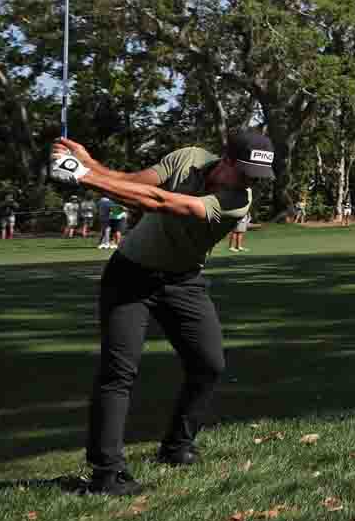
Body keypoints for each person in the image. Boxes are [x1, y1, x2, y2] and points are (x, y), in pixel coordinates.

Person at [49, 128, 274, 497]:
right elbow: (132, 183)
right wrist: (87, 163)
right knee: (118, 371)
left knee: (209, 363)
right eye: (247, 171)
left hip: (184, 283)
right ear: (227, 159)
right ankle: (107, 473)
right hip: (130, 275)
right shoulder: (188, 158)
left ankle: (177, 446)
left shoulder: (237, 201)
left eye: (258, 177)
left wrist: (82, 175)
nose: (252, 182)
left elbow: (158, 202)